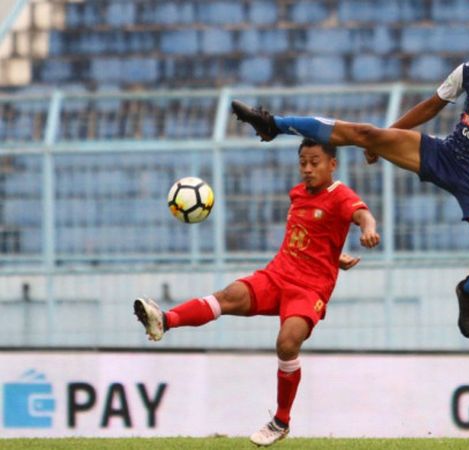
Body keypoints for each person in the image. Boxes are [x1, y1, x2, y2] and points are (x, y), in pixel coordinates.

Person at [231, 8, 469, 339]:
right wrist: (382, 140)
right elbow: (432, 106)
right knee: (364, 131)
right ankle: (272, 124)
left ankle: (468, 290)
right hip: (445, 155)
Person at [133, 138, 380, 447]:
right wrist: (333, 254)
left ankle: (281, 421)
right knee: (229, 295)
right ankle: (165, 320)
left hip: (309, 288)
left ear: (332, 164)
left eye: (314, 162)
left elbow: (361, 215)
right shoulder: (298, 194)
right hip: (277, 274)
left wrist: (367, 229)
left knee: (287, 343)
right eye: (302, 162)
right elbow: (312, 235)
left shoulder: (341, 195)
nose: (307, 168)